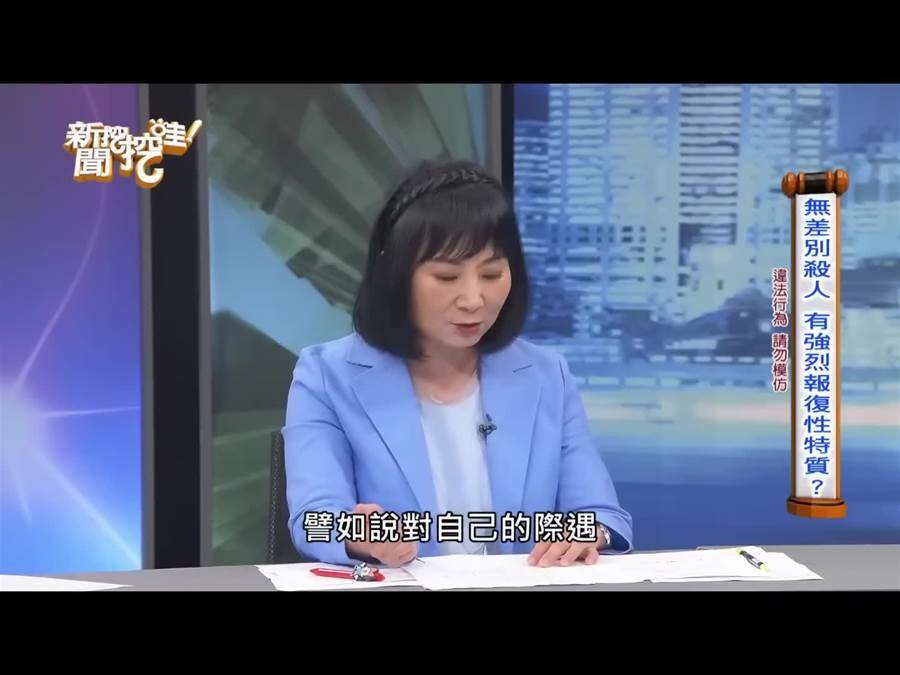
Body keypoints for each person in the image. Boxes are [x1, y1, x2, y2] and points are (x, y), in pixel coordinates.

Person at [283, 159, 632, 568]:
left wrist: (586, 533)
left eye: (492, 274)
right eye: (447, 277)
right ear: (395, 274)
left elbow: (601, 513)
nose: (472, 299)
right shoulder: (326, 376)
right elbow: (315, 520)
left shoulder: (546, 374)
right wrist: (361, 535)